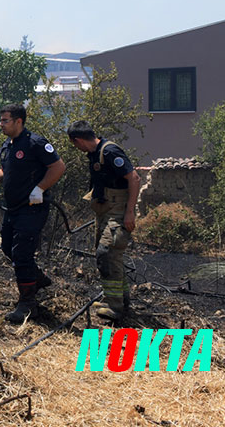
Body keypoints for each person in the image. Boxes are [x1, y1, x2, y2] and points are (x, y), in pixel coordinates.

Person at [0, 104, 65, 323]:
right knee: (8, 248)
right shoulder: (7, 145)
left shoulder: (36, 143)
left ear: (19, 121)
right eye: (1, 120)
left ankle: (27, 305)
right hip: (13, 208)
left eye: (5, 120)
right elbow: (6, 172)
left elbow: (58, 167)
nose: (1, 124)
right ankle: (36, 278)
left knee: (22, 253)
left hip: (32, 208)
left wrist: (40, 188)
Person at [67, 120, 141, 321]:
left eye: (75, 144)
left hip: (118, 211)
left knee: (107, 253)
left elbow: (134, 178)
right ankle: (118, 299)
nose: (77, 148)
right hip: (105, 211)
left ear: (79, 140)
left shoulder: (109, 152)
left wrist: (130, 212)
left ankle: (115, 307)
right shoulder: (94, 154)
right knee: (109, 256)